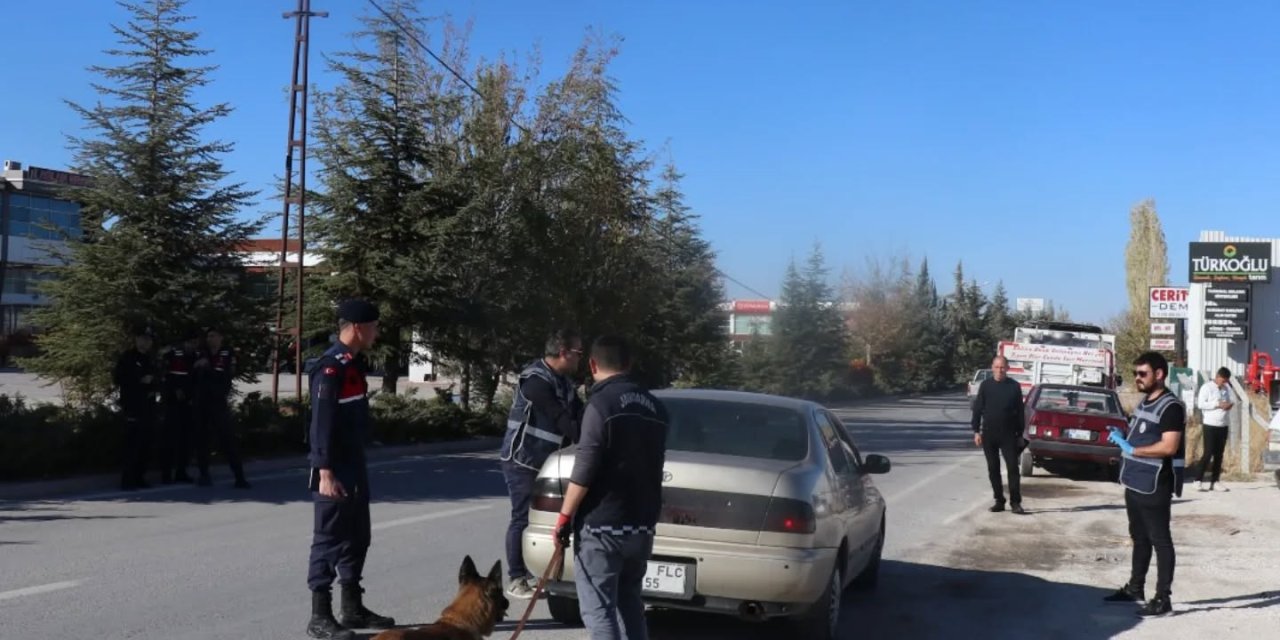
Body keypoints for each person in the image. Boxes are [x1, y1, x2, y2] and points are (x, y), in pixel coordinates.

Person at [554, 335, 668, 640]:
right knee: (631, 603)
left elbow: (586, 466)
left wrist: (564, 517)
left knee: (599, 611)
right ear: (629, 364)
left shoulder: (601, 405)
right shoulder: (656, 408)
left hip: (602, 527)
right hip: (642, 526)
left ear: (592, 364)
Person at [304, 299, 394, 640]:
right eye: (374, 326)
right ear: (358, 327)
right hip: (334, 467)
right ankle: (319, 616)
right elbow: (320, 425)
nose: (377, 332)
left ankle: (352, 607)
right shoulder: (331, 368)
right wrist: (324, 471)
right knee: (329, 539)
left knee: (358, 537)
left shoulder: (352, 364)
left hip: (353, 464)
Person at [498, 329, 584, 599]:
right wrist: (586, 437)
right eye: (578, 353)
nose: (580, 359)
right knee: (522, 518)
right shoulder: (535, 380)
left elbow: (581, 415)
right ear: (563, 352)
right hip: (522, 459)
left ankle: (535, 574)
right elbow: (561, 419)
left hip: (546, 462)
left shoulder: (565, 383)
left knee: (543, 520)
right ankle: (516, 578)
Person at [1104, 351, 1186, 617]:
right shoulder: (1143, 402)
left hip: (1154, 484)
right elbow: (1137, 434)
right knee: (1139, 538)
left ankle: (1163, 598)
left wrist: (1134, 450)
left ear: (1159, 374)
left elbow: (1169, 446)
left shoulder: (1171, 406)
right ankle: (1135, 588)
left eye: (1143, 374)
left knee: (1160, 541)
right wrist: (1121, 436)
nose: (1137, 378)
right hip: (1134, 481)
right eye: (1136, 373)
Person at [193, 326, 249, 489]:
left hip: (218, 402)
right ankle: (204, 475)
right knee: (202, 440)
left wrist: (207, 368)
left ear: (221, 338)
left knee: (227, 439)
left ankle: (239, 477)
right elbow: (193, 375)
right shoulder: (201, 353)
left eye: (214, 336)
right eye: (209, 336)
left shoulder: (226, 354)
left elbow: (225, 375)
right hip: (201, 402)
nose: (211, 339)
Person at [970, 355, 1027, 514]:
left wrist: (1020, 433)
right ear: (992, 367)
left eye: (1002, 367)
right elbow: (978, 409)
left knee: (1012, 469)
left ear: (1007, 368)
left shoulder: (1014, 386)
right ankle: (999, 500)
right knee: (993, 469)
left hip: (1009, 434)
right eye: (996, 367)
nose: (999, 370)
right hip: (989, 434)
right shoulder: (985, 386)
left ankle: (1015, 502)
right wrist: (976, 431)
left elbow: (1020, 412)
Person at [114, 325, 159, 491]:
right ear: (136, 340)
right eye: (142, 338)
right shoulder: (128, 357)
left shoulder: (151, 358)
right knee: (132, 444)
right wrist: (139, 379)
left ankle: (140, 476)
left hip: (149, 406)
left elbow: (158, 378)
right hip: (133, 405)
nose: (145, 342)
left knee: (146, 444)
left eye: (148, 339)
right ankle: (128, 479)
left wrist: (153, 383)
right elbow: (118, 378)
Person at [158, 328, 200, 484]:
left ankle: (181, 472)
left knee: (186, 440)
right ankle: (166, 474)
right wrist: (174, 390)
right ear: (185, 342)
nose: (194, 345)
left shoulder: (195, 356)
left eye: (196, 342)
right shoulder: (172, 353)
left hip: (188, 404)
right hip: (172, 404)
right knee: (169, 440)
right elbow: (163, 375)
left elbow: (196, 380)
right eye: (192, 342)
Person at [1194, 367, 1233, 492]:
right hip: (1210, 424)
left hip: (1223, 424)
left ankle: (1215, 481)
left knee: (1219, 455)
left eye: (1226, 381)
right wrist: (1216, 404)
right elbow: (1201, 404)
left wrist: (1228, 405)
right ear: (1218, 376)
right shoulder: (1207, 387)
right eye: (1223, 380)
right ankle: (1198, 480)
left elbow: (1226, 402)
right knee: (1208, 453)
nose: (1224, 383)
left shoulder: (1226, 389)